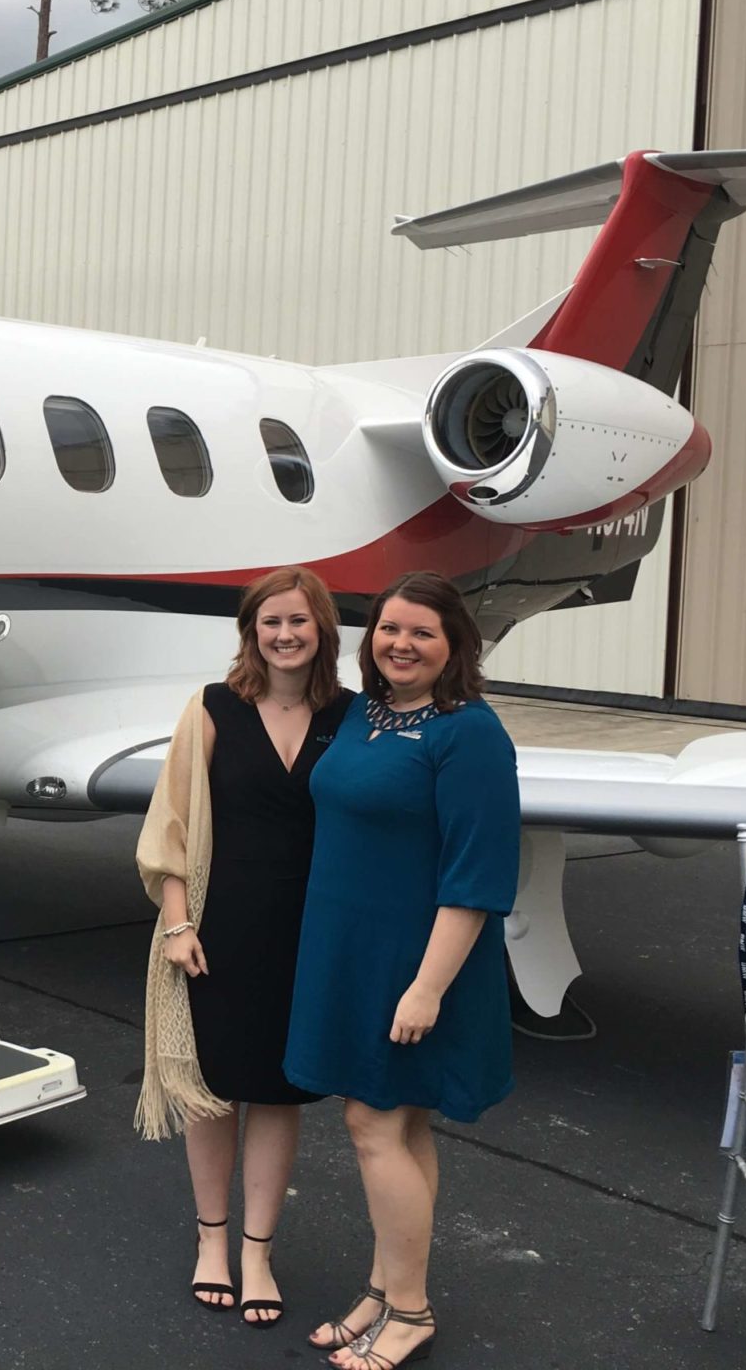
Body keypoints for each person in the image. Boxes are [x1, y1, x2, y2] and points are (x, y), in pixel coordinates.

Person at [284, 570, 520, 1370]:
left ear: (454, 644)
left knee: (373, 1123)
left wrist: (427, 987)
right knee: (402, 1120)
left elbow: (478, 877)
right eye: (389, 629)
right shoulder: (361, 714)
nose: (402, 644)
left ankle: (410, 1310)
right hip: (347, 948)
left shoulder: (471, 733)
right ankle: (386, 1291)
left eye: (422, 632)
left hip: (415, 960)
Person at [135, 567, 349, 1329]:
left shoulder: (350, 717)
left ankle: (258, 1250)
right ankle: (212, 1242)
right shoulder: (214, 707)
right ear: (251, 633)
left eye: (299, 621)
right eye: (270, 623)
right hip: (218, 931)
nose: (285, 635)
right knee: (212, 1087)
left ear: (322, 629)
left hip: (311, 934)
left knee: (279, 1091)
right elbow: (174, 822)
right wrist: (178, 922)